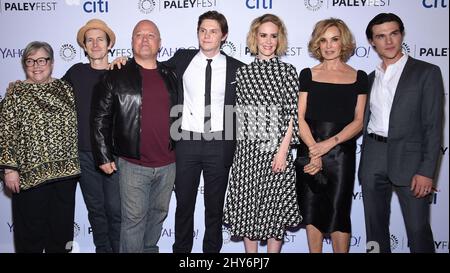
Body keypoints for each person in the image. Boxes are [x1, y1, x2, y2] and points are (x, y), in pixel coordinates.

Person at [91, 20, 178, 253]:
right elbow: (100, 118)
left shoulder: (171, 75)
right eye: (139, 35)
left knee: (158, 216)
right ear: (131, 42)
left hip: (168, 165)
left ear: (160, 43)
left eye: (151, 35)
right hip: (132, 164)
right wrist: (103, 155)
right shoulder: (115, 74)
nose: (145, 39)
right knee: (133, 221)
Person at [359, 13, 443, 253]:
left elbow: (433, 126)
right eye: (381, 36)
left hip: (411, 160)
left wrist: (427, 171)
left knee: (418, 230)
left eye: (393, 33)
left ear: (401, 35)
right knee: (374, 231)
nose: (389, 41)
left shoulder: (426, 72)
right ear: (372, 42)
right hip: (373, 157)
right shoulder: (369, 79)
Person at [222, 14, 301, 253]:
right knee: (248, 210)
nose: (268, 41)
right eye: (263, 35)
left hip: (277, 151)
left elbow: (291, 116)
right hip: (247, 153)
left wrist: (283, 152)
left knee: (274, 211)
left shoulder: (288, 72)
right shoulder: (243, 74)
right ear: (255, 38)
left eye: (273, 36)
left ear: (280, 39)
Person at [167, 11, 245, 253]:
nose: (207, 35)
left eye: (213, 31)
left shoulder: (237, 68)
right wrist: (123, 62)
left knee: (214, 208)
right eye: (203, 30)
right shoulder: (182, 59)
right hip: (186, 141)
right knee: (183, 206)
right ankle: (182, 253)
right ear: (197, 33)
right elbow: (151, 69)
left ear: (224, 36)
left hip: (219, 143)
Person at [0, 41, 80, 252]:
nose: (36, 65)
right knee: (31, 236)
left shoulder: (66, 89)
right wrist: (9, 169)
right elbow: (6, 133)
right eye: (30, 61)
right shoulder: (16, 92)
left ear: (51, 63)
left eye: (42, 60)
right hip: (29, 175)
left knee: (61, 234)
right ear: (24, 64)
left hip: (65, 175)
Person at [296, 18, 368, 253]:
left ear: (343, 42)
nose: (329, 46)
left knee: (339, 211)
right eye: (323, 40)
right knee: (312, 211)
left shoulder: (359, 77)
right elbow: (299, 118)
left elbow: (358, 122)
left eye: (334, 39)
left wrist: (328, 144)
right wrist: (314, 151)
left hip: (340, 154)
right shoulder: (307, 74)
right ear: (317, 43)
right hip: (310, 148)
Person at [62, 19, 121, 253]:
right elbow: (50, 94)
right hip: (84, 155)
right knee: (96, 211)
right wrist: (25, 84)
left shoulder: (121, 71)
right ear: (84, 47)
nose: (95, 44)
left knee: (116, 211)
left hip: (116, 154)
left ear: (109, 45)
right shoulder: (75, 72)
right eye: (90, 40)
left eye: (100, 39)